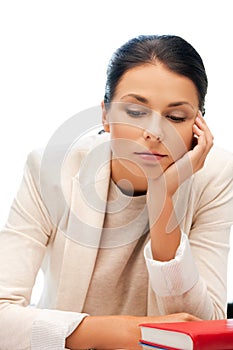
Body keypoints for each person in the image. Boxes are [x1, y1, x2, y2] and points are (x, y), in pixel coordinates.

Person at [0, 34, 232, 350]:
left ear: (197, 127)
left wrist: (161, 197)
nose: (154, 132)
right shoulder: (51, 168)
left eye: (176, 117)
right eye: (136, 112)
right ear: (106, 115)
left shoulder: (215, 176)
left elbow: (202, 328)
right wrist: (128, 331)